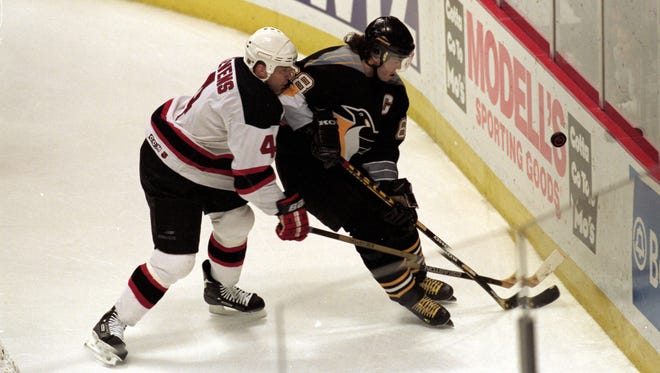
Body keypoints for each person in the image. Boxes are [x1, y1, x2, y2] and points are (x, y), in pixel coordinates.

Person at [84, 27, 309, 365]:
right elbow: (251, 180)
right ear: (260, 68)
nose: (290, 75)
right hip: (169, 166)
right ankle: (112, 322)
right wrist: (283, 209)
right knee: (175, 261)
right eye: (283, 69)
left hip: (199, 157)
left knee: (236, 220)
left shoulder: (239, 65)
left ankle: (220, 290)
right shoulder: (255, 106)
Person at [276, 16, 455, 327]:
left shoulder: (395, 94)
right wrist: (311, 129)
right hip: (304, 165)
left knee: (396, 210)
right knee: (366, 223)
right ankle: (405, 293)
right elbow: (285, 96)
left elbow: (384, 148)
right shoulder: (331, 66)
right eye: (396, 59)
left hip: (348, 162)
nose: (399, 67)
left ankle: (418, 276)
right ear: (376, 53)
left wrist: (389, 189)